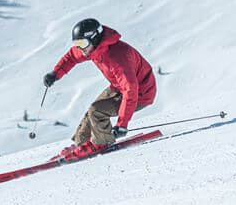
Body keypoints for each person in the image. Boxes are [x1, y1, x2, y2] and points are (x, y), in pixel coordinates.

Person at [43, 18, 156, 160]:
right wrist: (55, 74)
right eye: (77, 44)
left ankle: (101, 142)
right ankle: (82, 143)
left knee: (97, 111)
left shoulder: (117, 57)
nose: (79, 48)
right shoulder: (92, 49)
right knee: (92, 110)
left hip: (141, 93)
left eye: (82, 43)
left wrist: (122, 124)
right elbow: (72, 56)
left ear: (95, 38)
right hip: (119, 87)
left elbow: (130, 90)